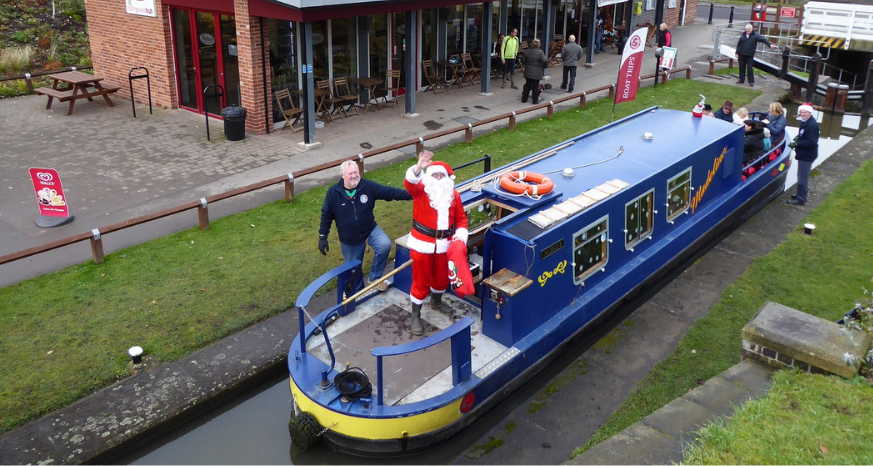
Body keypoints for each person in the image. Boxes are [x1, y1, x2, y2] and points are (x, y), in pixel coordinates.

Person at [319, 160, 412, 292]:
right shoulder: (333, 193)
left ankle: (375, 278)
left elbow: (389, 192)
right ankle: (358, 294)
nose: (354, 175)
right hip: (350, 239)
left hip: (370, 230)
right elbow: (326, 215)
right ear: (342, 175)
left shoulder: (366, 186)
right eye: (350, 173)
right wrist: (323, 237)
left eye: (356, 172)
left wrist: (413, 195)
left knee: (384, 245)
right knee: (353, 270)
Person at [404, 151, 469, 336]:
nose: (439, 178)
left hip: (445, 244)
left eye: (442, 175)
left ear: (448, 178)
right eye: (435, 175)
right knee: (421, 280)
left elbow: (461, 219)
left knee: (441, 278)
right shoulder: (421, 190)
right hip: (422, 244)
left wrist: (460, 238)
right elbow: (409, 183)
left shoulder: (454, 195)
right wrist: (418, 167)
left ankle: (436, 301)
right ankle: (415, 314)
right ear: (428, 177)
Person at [786, 104, 820, 206]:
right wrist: (798, 137)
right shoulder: (804, 122)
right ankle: (800, 194)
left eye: (805, 112)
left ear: (810, 113)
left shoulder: (812, 125)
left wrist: (797, 144)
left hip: (807, 155)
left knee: (802, 177)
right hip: (804, 154)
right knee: (801, 176)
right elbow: (803, 135)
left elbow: (812, 142)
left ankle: (801, 199)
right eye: (802, 112)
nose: (803, 114)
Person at [521, 38, 549, 105]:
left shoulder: (527, 51)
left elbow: (523, 60)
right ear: (539, 45)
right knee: (535, 86)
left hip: (528, 71)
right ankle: (534, 101)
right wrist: (544, 66)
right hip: (537, 72)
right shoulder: (540, 52)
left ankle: (524, 99)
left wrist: (527, 64)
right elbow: (545, 60)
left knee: (527, 85)